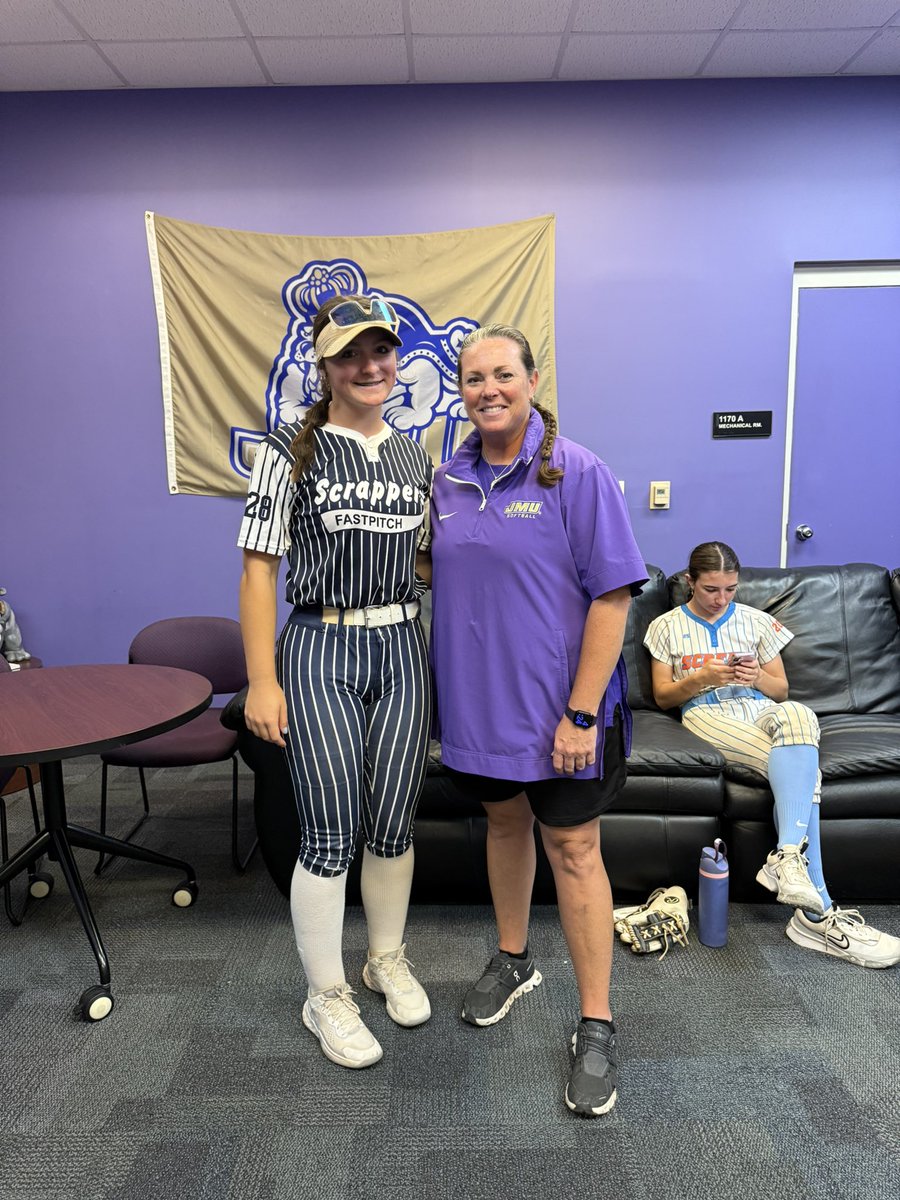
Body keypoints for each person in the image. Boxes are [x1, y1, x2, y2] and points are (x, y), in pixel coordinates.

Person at [428, 323, 647, 1118]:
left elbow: (613, 596)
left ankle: (597, 1023)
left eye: (502, 375)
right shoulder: (445, 482)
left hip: (564, 714)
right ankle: (514, 959)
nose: (488, 389)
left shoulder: (575, 471)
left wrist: (582, 712)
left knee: (575, 849)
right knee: (504, 828)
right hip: (479, 711)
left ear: (531, 379)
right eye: (473, 377)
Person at [238, 294, 434, 1069]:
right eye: (350, 354)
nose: (369, 367)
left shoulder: (419, 457)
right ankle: (325, 995)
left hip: (401, 643)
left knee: (392, 820)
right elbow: (260, 567)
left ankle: (383, 958)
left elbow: (423, 561)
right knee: (327, 828)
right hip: (320, 645)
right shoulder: (290, 450)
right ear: (324, 366)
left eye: (380, 351)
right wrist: (262, 679)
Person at [644, 540, 900, 969]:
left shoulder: (758, 621)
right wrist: (703, 677)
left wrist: (758, 676)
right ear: (690, 582)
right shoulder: (666, 626)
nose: (721, 599)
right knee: (803, 773)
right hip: (709, 715)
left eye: (730, 589)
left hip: (763, 711)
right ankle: (819, 913)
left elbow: (782, 691)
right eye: (711, 589)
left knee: (799, 715)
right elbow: (664, 696)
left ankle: (785, 858)